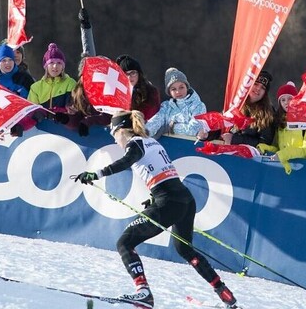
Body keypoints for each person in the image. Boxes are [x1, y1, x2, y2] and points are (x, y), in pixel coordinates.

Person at [75, 111, 239, 308]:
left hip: (169, 201)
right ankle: (223, 292)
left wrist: (97, 173)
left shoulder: (134, 143)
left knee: (124, 243)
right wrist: (153, 198)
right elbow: (161, 170)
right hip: (184, 200)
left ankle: (143, 293)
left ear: (122, 130)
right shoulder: (151, 142)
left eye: (114, 133)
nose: (115, 139)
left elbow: (126, 162)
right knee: (185, 249)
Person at [24, 43, 78, 132]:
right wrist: (21, 126)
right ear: (46, 66)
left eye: (59, 63)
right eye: (51, 62)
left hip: (66, 132)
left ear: (63, 67)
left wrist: (57, 112)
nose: (55, 66)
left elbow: (73, 108)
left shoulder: (70, 83)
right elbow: (31, 113)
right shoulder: (36, 88)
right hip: (43, 133)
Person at [272, 81, 306, 174]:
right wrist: (263, 148)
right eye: (283, 100)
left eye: (290, 98)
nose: (286, 102)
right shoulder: (280, 122)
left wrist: (283, 155)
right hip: (283, 169)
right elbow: (277, 149)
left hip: (302, 171)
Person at [222, 71, 277, 151]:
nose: (258, 88)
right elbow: (220, 127)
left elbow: (265, 143)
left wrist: (235, 139)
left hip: (249, 160)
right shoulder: (235, 104)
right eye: (255, 84)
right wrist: (207, 135)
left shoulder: (267, 113)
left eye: (263, 88)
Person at [145, 67, 207, 138]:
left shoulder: (198, 106)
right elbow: (157, 120)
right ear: (169, 92)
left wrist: (171, 128)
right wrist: (144, 131)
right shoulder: (166, 106)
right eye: (173, 89)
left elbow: (194, 129)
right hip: (168, 146)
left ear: (187, 87)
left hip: (189, 147)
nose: (178, 92)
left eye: (181, 87)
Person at [116, 55, 160, 120]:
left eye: (133, 73)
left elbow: (154, 117)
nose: (129, 77)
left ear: (139, 74)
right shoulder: (115, 92)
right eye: (125, 74)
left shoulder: (151, 92)